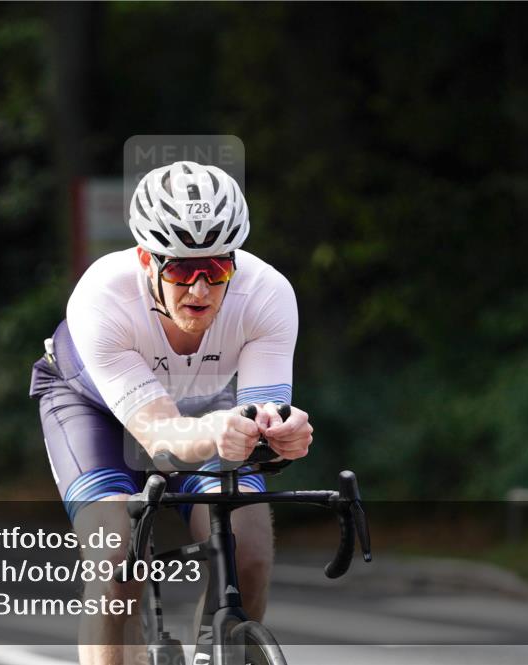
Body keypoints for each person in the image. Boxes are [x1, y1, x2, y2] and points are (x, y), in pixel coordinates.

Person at [29, 161, 313, 664]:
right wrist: (219, 429)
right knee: (117, 556)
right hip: (92, 407)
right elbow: (159, 433)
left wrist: (282, 433)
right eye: (181, 269)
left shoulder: (268, 294)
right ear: (145, 258)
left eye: (217, 268)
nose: (200, 290)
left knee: (248, 550)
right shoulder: (102, 297)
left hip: (204, 407)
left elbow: (266, 413)